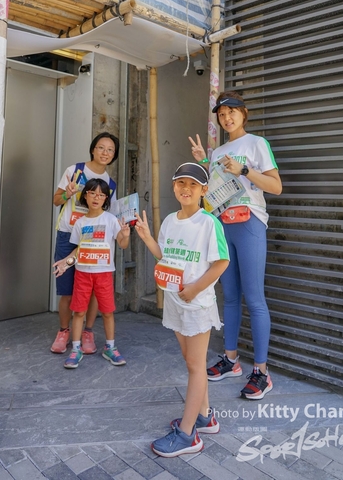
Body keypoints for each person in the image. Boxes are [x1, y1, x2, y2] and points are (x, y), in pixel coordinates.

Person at [189, 90, 282, 401]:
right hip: (222, 224)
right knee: (229, 296)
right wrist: (205, 162)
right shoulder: (218, 151)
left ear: (243, 113)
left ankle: (262, 372)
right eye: (221, 114)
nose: (226, 117)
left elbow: (276, 186)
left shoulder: (257, 143)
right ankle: (231, 360)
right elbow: (218, 189)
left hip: (250, 222)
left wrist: (243, 169)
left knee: (254, 298)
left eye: (232, 112)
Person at [135, 163, 229, 457]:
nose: (186, 189)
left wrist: (195, 288)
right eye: (181, 183)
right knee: (191, 362)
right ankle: (205, 417)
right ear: (174, 186)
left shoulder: (209, 223)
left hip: (197, 305)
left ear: (204, 190)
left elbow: (222, 262)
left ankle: (188, 435)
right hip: (175, 303)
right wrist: (148, 238)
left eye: (193, 184)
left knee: (195, 367)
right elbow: (165, 257)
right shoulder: (169, 222)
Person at [51, 132, 119, 355]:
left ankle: (87, 331)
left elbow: (111, 214)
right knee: (67, 290)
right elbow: (56, 200)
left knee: (92, 290)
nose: (105, 153)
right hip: (67, 234)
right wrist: (68, 194)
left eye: (110, 150)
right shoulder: (75, 170)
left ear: (114, 155)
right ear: (92, 149)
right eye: (101, 147)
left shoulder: (110, 184)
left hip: (94, 239)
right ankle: (64, 331)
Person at [53, 178, 130, 367]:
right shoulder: (80, 223)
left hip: (104, 274)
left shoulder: (111, 220)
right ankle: (76, 349)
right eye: (92, 193)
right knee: (79, 311)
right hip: (82, 274)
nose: (96, 197)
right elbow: (78, 249)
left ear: (106, 199)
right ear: (85, 196)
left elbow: (122, 244)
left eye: (101, 194)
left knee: (108, 312)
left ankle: (110, 347)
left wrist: (126, 235)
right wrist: (65, 263)